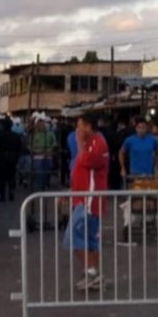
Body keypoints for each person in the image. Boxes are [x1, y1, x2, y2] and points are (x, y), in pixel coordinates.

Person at [64, 115, 109, 291]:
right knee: (87, 240)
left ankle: (92, 273)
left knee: (74, 238)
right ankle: (91, 273)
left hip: (89, 201)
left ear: (88, 126)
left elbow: (85, 161)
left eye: (80, 126)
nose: (77, 130)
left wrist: (79, 142)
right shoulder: (90, 143)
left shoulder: (98, 144)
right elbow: (79, 168)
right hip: (80, 197)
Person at [119, 117, 158, 183]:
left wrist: (156, 167)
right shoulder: (130, 140)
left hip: (148, 173)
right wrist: (122, 168)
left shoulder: (153, 140)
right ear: (136, 129)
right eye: (139, 127)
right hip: (134, 174)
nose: (141, 129)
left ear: (146, 128)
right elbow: (121, 153)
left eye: (143, 127)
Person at [0, 117, 22, 203]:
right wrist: (16, 157)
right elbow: (19, 148)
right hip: (12, 158)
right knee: (11, 177)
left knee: (1, 178)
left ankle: (2, 195)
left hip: (1, 159)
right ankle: (11, 193)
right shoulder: (16, 136)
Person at [27, 118, 57, 191]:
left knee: (47, 171)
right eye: (39, 124)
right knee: (38, 172)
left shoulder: (50, 133)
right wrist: (33, 150)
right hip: (37, 156)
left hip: (48, 155)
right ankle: (39, 187)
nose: (40, 126)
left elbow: (54, 143)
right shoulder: (33, 134)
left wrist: (49, 149)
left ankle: (44, 185)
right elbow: (28, 144)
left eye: (42, 124)